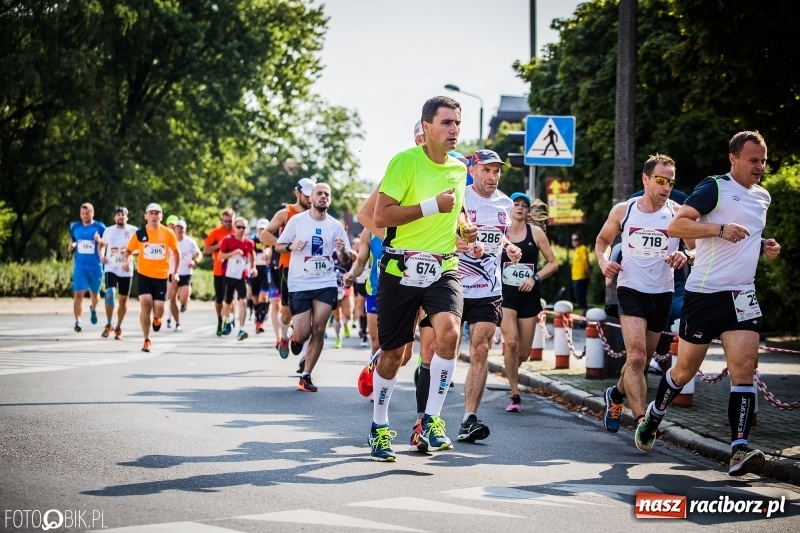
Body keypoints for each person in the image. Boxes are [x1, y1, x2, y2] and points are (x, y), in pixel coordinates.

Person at [637, 131, 781, 477]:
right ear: (733, 158)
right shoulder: (715, 187)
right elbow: (676, 226)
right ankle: (655, 414)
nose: (760, 167)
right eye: (753, 160)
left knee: (744, 369)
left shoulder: (763, 197)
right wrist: (718, 230)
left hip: (742, 294)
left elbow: (747, 236)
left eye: (763, 160)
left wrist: (766, 247)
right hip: (704, 293)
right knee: (684, 370)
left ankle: (738, 449)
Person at [367, 95, 478, 461]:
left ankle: (431, 418)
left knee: (449, 331)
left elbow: (457, 213)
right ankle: (379, 425)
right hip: (401, 268)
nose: (454, 130)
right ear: (426, 126)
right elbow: (380, 217)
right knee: (394, 355)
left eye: (458, 123)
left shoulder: (460, 169)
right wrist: (432, 206)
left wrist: (465, 229)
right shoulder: (404, 162)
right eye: (446, 123)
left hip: (443, 266)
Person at [595, 154, 689, 435]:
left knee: (642, 362)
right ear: (646, 179)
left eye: (670, 181)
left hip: (661, 293)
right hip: (630, 289)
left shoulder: (678, 213)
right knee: (635, 358)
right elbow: (602, 241)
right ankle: (641, 422)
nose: (666, 186)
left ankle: (615, 395)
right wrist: (604, 262)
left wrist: (685, 254)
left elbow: (697, 249)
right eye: (660, 180)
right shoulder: (624, 210)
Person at [456, 149, 522, 443]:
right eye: (487, 170)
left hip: (488, 288)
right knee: (444, 349)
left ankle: (469, 418)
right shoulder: (461, 197)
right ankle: (427, 413)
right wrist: (465, 244)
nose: (492, 177)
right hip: (453, 284)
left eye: (496, 171)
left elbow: (499, 234)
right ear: (473, 171)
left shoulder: (505, 203)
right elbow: (443, 235)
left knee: (481, 348)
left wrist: (509, 247)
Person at [275, 183, 352, 392]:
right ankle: (295, 337)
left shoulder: (335, 225)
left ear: (331, 200)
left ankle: (306, 375)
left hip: (325, 282)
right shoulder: (297, 221)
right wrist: (291, 246)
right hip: (300, 281)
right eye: (319, 193)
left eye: (327, 194)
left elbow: (347, 259)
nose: (323, 197)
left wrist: (343, 251)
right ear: (311, 198)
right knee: (303, 333)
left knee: (319, 329)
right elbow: (278, 245)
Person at [500, 192, 558, 412]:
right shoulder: (501, 232)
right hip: (505, 295)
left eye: (524, 205)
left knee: (522, 353)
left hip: (528, 296)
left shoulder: (535, 233)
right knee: (511, 342)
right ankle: (515, 394)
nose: (520, 208)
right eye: (516, 204)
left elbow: (553, 263)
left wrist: (534, 278)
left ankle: (512, 368)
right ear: (509, 208)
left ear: (528, 210)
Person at [260, 178, 316, 357]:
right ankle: (284, 337)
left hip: (311, 268)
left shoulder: (317, 214)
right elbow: (264, 235)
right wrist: (284, 244)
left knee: (312, 312)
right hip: (288, 267)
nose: (309, 199)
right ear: (297, 193)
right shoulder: (285, 213)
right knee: (287, 312)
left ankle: (305, 358)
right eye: (306, 195)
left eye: (311, 196)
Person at [123, 203, 179, 352]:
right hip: (144, 275)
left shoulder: (168, 233)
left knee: (159, 308)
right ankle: (146, 339)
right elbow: (128, 250)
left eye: (157, 213)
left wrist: (176, 272)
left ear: (161, 216)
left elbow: (176, 252)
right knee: (146, 305)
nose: (154, 216)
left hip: (161, 276)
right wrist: (125, 261)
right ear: (146, 216)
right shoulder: (140, 233)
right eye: (151, 213)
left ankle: (157, 318)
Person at [99, 207, 137, 339]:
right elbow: (102, 245)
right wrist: (102, 256)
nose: (120, 216)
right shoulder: (108, 231)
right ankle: (109, 324)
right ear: (114, 217)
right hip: (111, 267)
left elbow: (140, 249)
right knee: (110, 293)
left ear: (127, 217)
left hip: (126, 269)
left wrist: (130, 252)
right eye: (118, 214)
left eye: (123, 214)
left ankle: (119, 327)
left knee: (123, 301)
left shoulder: (133, 231)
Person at [68, 203, 106, 332]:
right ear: (80, 214)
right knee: (78, 294)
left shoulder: (100, 227)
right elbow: (73, 240)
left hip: (95, 267)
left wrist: (99, 240)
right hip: (80, 267)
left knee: (95, 295)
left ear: (92, 213)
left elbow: (106, 243)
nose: (85, 216)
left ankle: (93, 308)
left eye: (87, 213)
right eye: (82, 213)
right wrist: (71, 246)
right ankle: (78, 322)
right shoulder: (75, 227)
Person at [218, 217, 256, 341]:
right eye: (239, 227)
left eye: (243, 227)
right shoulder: (227, 240)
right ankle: (228, 320)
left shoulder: (249, 242)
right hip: (229, 275)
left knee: (243, 301)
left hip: (242, 275)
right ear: (235, 227)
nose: (241, 230)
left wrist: (253, 268)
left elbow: (252, 255)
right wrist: (232, 253)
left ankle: (241, 329)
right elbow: (220, 256)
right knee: (227, 302)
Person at [203, 209, 235, 336]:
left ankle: (229, 317)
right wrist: (219, 245)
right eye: (225, 221)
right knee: (219, 299)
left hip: (233, 272)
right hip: (218, 270)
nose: (227, 224)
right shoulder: (216, 232)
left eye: (230, 221)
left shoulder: (237, 231)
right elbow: (206, 249)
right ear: (222, 220)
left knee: (230, 298)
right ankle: (220, 320)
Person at [170, 219, 202, 332]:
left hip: (185, 273)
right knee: (172, 298)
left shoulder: (190, 242)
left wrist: (195, 261)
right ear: (174, 229)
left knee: (183, 298)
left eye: (181, 228)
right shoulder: (170, 241)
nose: (179, 230)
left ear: (185, 229)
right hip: (172, 273)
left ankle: (183, 304)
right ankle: (177, 322)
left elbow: (199, 254)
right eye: (177, 227)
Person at [251, 218, 273, 335]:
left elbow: (270, 249)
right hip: (255, 271)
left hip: (265, 270)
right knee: (255, 298)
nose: (262, 231)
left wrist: (268, 253)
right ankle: (257, 318)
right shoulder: (253, 241)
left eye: (264, 229)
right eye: (260, 229)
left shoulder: (269, 240)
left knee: (263, 296)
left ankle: (261, 322)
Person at [570, 232, 591, 314]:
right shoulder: (576, 250)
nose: (574, 241)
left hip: (581, 278)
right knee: (577, 298)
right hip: (575, 278)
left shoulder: (582, 249)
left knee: (581, 298)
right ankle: (582, 317)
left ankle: (583, 319)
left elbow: (586, 262)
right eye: (573, 240)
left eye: (576, 239)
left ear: (580, 240)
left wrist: (588, 275)